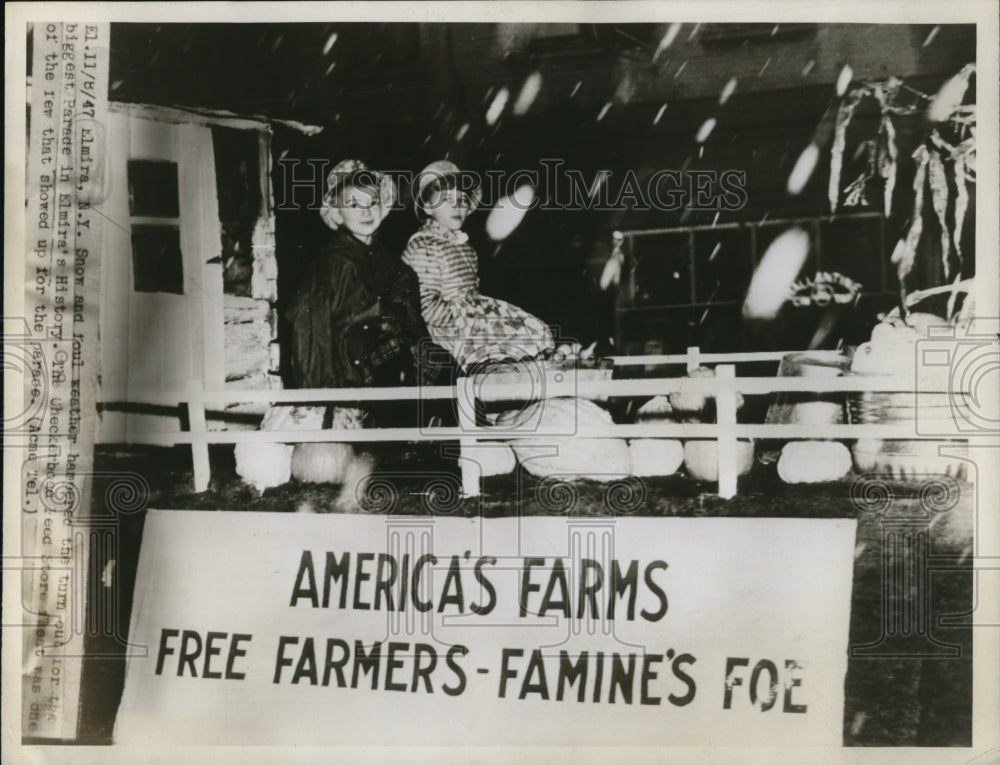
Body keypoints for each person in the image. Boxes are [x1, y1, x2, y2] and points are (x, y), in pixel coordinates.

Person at [286, 159, 450, 428]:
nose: (365, 211)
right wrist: (322, 392)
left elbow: (412, 319)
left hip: (395, 351)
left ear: (382, 206)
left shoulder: (393, 264)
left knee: (442, 363)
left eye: (371, 202)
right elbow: (310, 329)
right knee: (395, 363)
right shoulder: (329, 264)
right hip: (350, 359)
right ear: (336, 214)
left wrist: (423, 346)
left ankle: (457, 437)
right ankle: (399, 439)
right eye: (353, 204)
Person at [402, 160, 555, 372]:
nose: (457, 206)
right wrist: (472, 325)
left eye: (462, 200)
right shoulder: (424, 245)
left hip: (471, 317)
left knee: (534, 332)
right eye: (446, 200)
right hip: (448, 331)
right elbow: (423, 303)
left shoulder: (463, 245)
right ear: (428, 207)